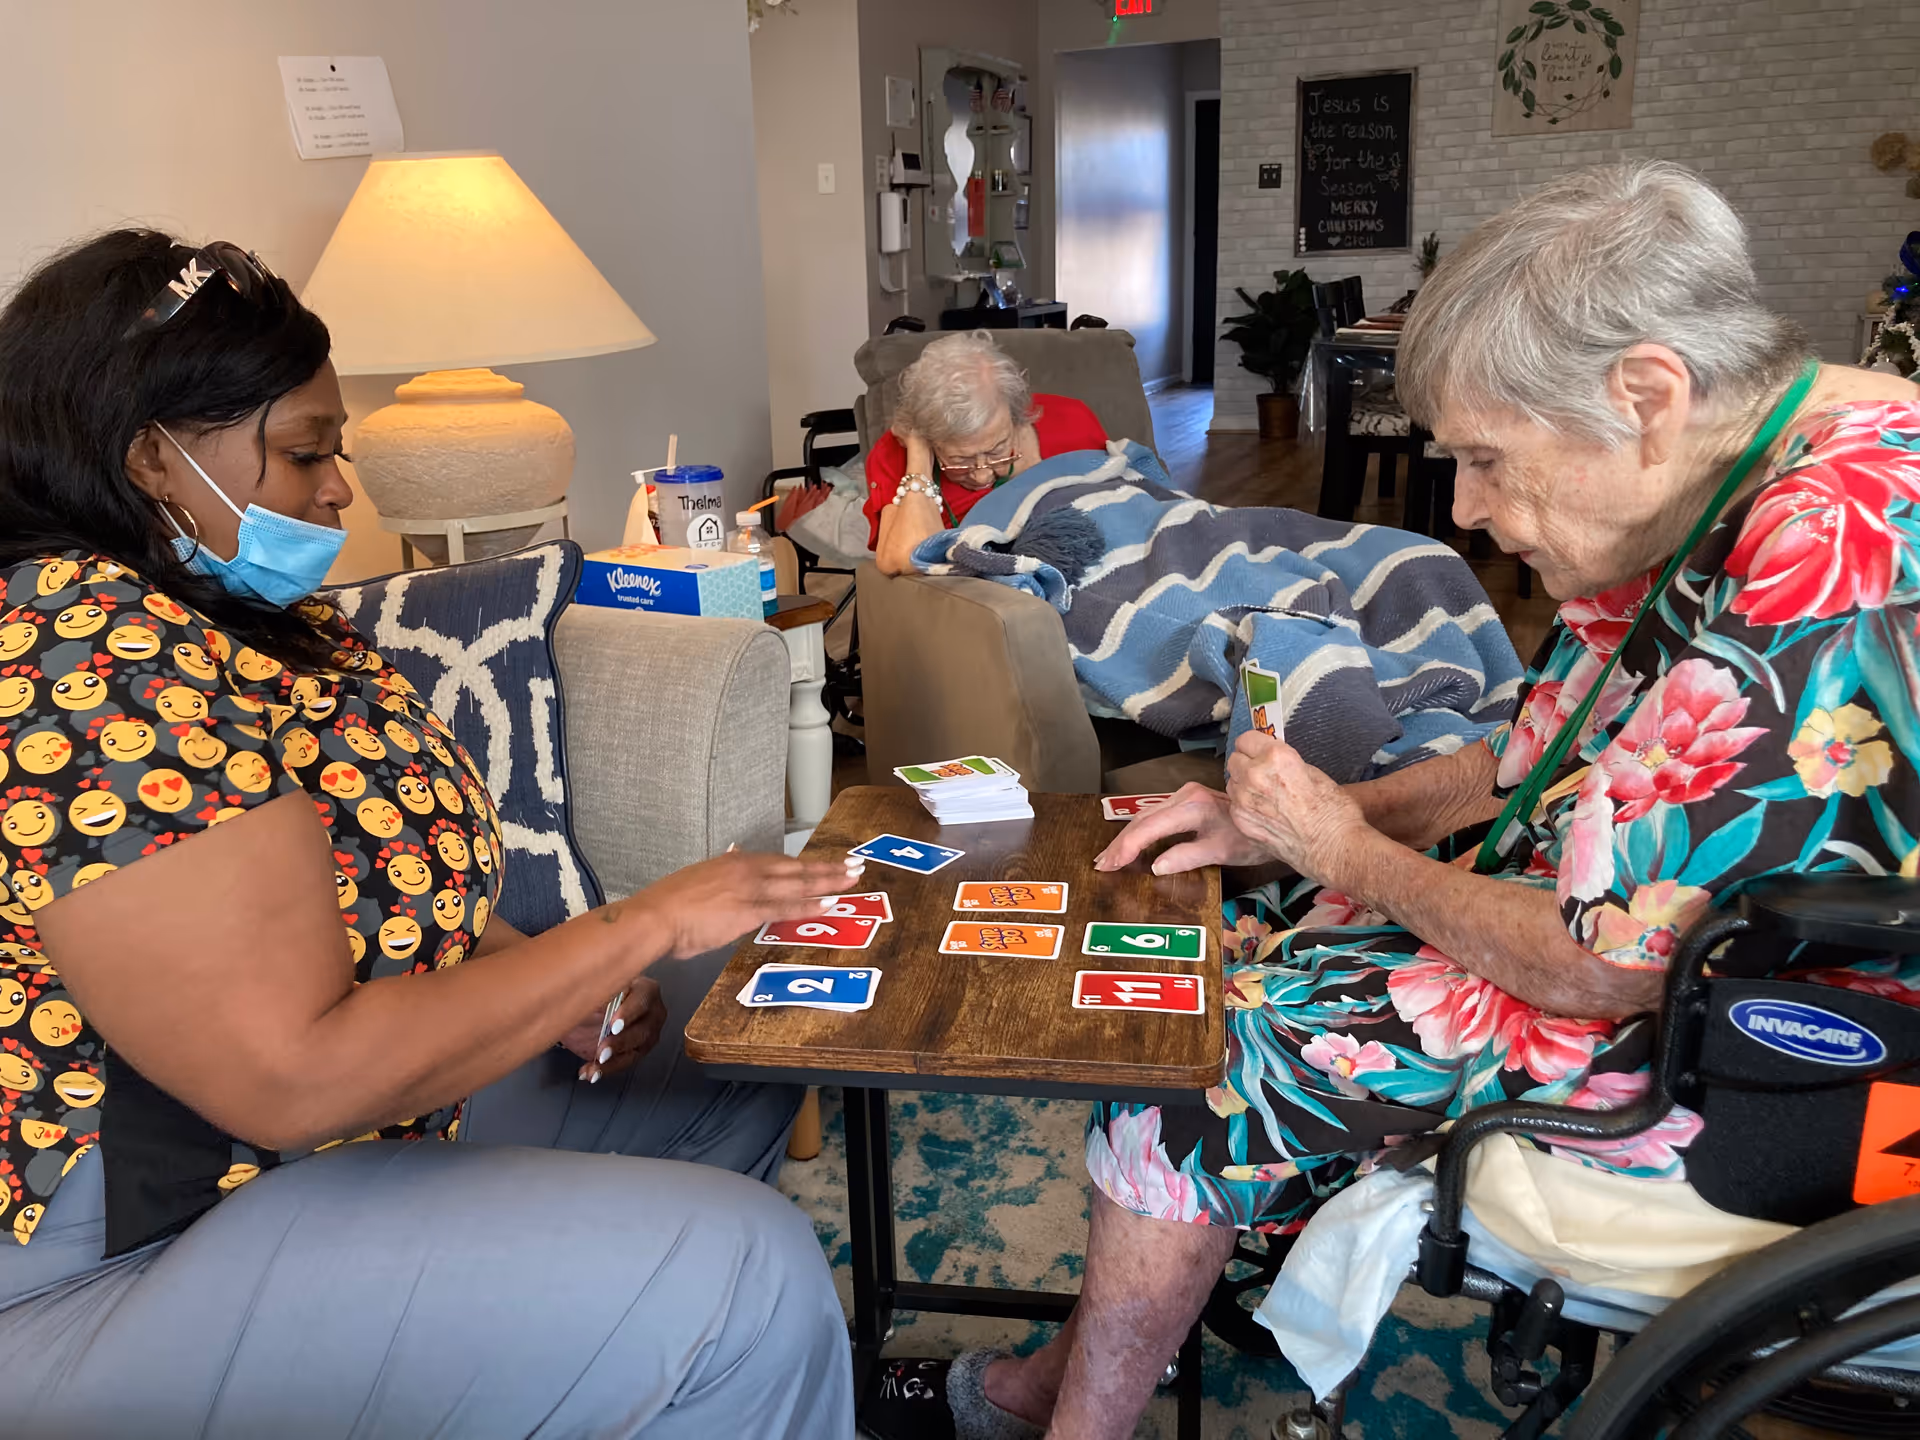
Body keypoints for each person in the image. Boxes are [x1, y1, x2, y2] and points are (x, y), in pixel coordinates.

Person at [944, 162, 1920, 1438]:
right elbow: (1522, 757)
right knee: (1268, 949)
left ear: (1646, 394)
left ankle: (1060, 1419)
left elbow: (1599, 966)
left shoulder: (1835, 542)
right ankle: (1062, 1378)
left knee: (1199, 1060)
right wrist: (1276, 833)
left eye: (1487, 461)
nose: (1460, 509)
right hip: (1687, 952)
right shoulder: (1715, 469)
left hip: (1794, 1050)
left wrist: (1344, 849)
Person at [0, 231, 862, 1439]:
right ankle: (690, 1331)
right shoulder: (88, 659)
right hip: (141, 1229)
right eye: (305, 452)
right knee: (746, 1274)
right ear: (148, 454)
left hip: (341, 1135)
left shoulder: (249, 616)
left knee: (742, 1021)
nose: (339, 489)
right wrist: (637, 923)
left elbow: (390, 882)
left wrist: (540, 976)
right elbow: (294, 1082)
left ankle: (609, 1371)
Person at [865, 331, 1108, 575]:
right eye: (960, 460)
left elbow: (1118, 507)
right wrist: (918, 453)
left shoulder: (1072, 422)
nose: (981, 476)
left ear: (1016, 416)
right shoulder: (895, 455)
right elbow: (906, 560)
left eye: (997, 450)